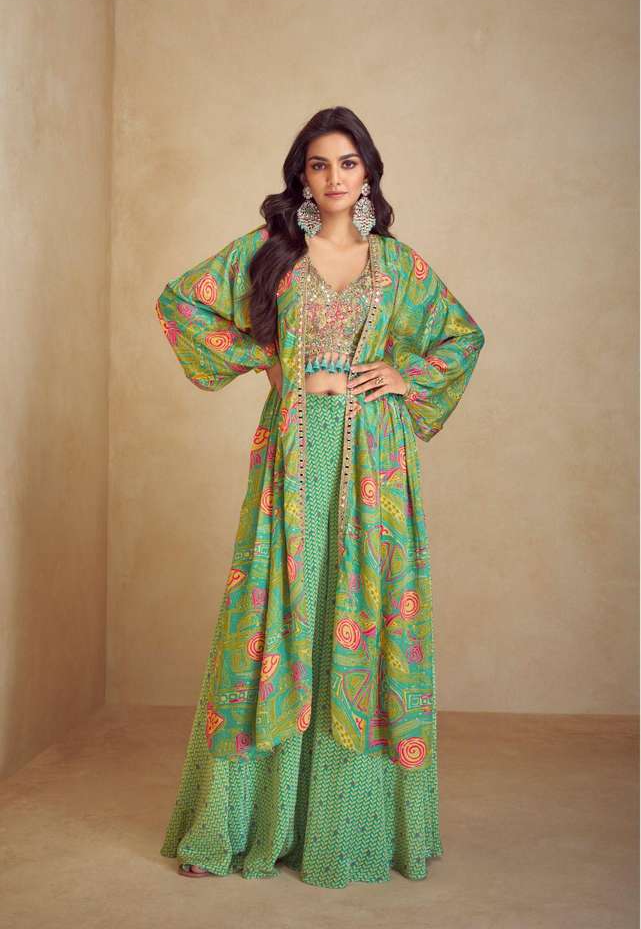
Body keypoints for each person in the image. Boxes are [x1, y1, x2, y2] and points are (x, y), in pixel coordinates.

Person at [154, 106, 485, 889]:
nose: (333, 177)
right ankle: (235, 824)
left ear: (367, 174)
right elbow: (180, 302)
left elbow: (461, 336)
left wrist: (404, 376)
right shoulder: (272, 252)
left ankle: (349, 827)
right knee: (274, 619)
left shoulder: (395, 266)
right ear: (300, 177)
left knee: (361, 619)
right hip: (295, 457)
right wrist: (262, 359)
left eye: (346, 162)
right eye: (317, 164)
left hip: (374, 463)